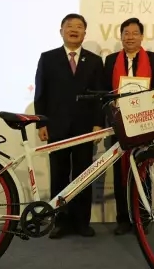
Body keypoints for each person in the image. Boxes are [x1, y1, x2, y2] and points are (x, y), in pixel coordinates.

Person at [34, 13, 105, 239]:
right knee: (59, 175)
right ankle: (60, 221)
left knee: (83, 175)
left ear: (85, 32)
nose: (74, 30)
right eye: (69, 26)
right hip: (57, 126)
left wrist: (98, 123)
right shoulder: (48, 58)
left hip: (85, 127)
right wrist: (41, 123)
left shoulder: (94, 61)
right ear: (61, 31)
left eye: (79, 26)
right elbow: (41, 93)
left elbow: (99, 95)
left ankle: (82, 222)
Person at [103, 18, 154, 235]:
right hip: (119, 124)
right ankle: (123, 219)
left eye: (135, 33)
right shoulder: (111, 60)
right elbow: (106, 92)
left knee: (144, 168)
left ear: (142, 36)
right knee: (120, 172)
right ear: (121, 36)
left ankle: (143, 218)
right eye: (126, 33)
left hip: (145, 123)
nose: (130, 37)